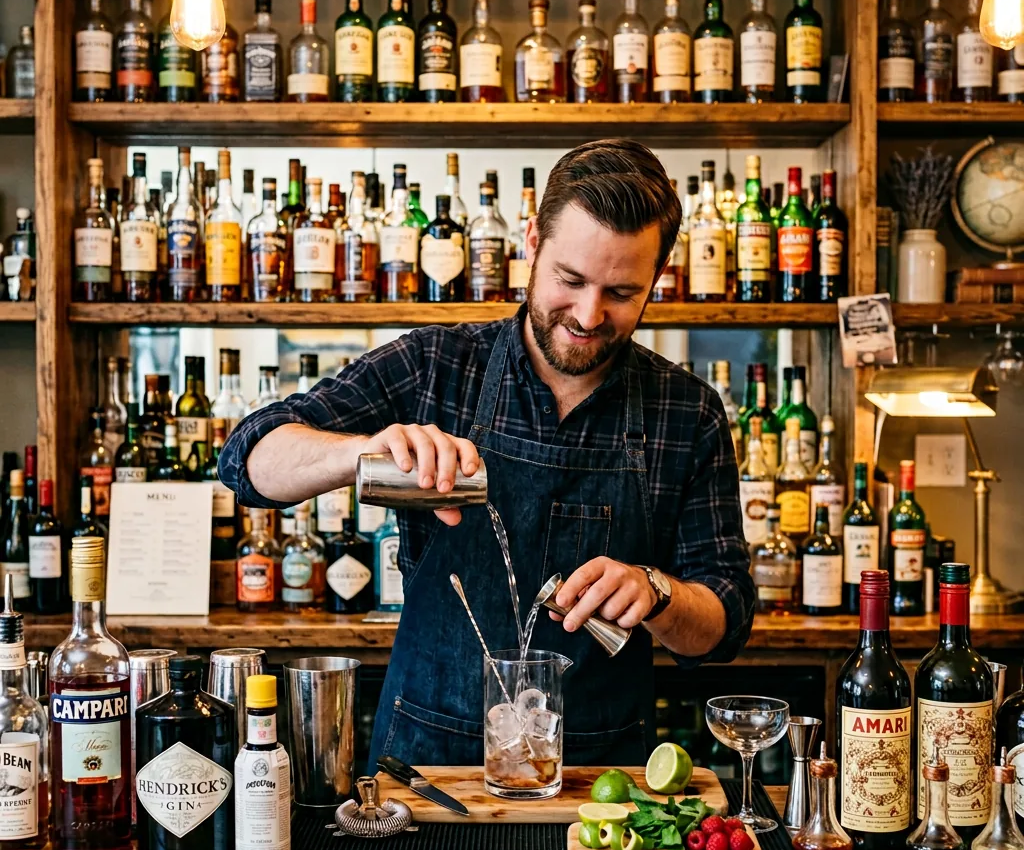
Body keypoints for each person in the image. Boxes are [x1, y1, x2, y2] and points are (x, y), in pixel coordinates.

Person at [219, 139, 755, 769]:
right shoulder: (434, 368)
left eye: (621, 292)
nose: (588, 314)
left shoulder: (686, 412)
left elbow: (725, 623)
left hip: (600, 784)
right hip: (423, 770)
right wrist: (367, 450)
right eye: (570, 279)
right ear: (531, 242)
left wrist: (657, 592)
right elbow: (247, 459)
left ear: (657, 279)